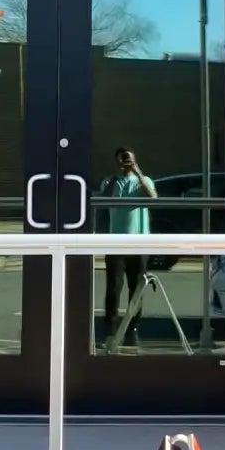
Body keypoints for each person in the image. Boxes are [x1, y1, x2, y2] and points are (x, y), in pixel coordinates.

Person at [99, 145, 156, 351]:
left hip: (140, 243)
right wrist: (118, 176)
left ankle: (132, 329)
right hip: (116, 243)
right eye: (122, 160)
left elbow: (152, 198)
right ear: (116, 162)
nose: (126, 163)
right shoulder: (110, 181)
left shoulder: (144, 180)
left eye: (129, 159)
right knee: (114, 288)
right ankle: (110, 331)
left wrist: (138, 173)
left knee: (137, 289)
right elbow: (105, 200)